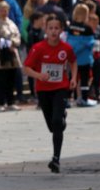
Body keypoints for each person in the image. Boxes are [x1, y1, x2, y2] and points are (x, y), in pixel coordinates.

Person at [24, 15, 78, 172]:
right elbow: (26, 68)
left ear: (61, 30)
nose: (54, 31)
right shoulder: (38, 48)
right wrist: (39, 75)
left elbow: (73, 61)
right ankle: (61, 119)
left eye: (56, 28)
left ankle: (56, 159)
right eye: (51, 28)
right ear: (45, 30)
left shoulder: (66, 48)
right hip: (43, 90)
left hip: (61, 88)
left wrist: (73, 78)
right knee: (52, 126)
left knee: (56, 123)